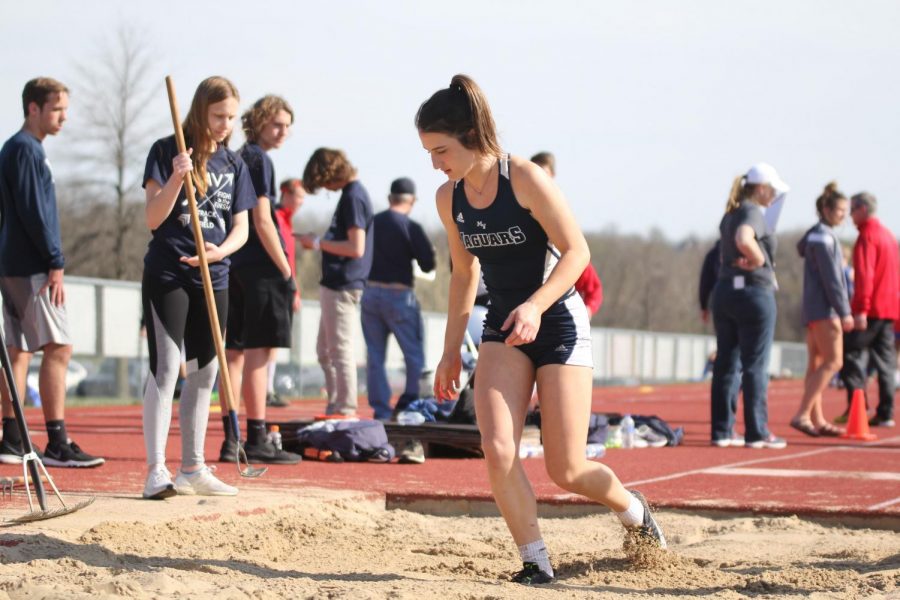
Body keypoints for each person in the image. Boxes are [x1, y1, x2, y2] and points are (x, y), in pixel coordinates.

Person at [417, 74, 665, 585]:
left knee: (566, 469)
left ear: (469, 136)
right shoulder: (449, 199)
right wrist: (448, 352)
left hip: (555, 321)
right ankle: (535, 559)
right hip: (501, 327)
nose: (434, 163)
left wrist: (534, 305)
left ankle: (633, 510)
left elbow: (578, 253)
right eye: (428, 153)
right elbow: (464, 274)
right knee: (498, 446)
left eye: (440, 150)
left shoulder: (525, 178)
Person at [141, 76, 255, 499]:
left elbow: (242, 227)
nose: (225, 125)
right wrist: (175, 178)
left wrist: (219, 251)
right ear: (200, 111)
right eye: (218, 116)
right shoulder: (165, 149)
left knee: (206, 371)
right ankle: (156, 470)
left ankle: (193, 467)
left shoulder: (235, 163)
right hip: (169, 272)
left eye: (231, 118)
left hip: (214, 273)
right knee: (168, 367)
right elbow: (153, 218)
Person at [0, 77, 105, 468]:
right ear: (33, 108)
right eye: (57, 109)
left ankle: (12, 438)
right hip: (31, 266)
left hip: (14, 263)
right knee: (59, 347)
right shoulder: (25, 149)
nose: (63, 117)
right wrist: (55, 260)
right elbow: (33, 212)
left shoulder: (18, 149)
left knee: (20, 349)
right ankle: (57, 441)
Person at [219, 95, 301, 465]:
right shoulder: (259, 159)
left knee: (234, 353)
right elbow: (263, 220)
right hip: (260, 267)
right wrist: (285, 268)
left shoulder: (237, 156)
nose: (283, 131)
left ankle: (232, 437)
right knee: (258, 352)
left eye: (287, 125)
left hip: (234, 263)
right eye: (277, 124)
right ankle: (256, 436)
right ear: (261, 122)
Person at [710, 163, 788, 449]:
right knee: (755, 364)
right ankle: (757, 431)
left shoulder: (729, 212)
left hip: (726, 292)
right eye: (772, 191)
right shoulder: (752, 211)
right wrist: (757, 260)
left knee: (726, 364)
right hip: (754, 293)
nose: (773, 197)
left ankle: (722, 430)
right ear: (762, 188)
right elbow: (745, 238)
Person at [298, 149, 374, 417]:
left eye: (323, 185)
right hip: (336, 283)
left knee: (339, 349)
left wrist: (318, 243)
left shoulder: (354, 196)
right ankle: (336, 402)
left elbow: (356, 247)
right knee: (325, 350)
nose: (325, 190)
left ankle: (345, 407)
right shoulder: (351, 195)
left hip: (343, 284)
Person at [361, 177, 436, 420]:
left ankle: (381, 412)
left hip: (370, 293)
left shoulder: (372, 222)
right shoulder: (410, 226)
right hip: (399, 295)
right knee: (413, 355)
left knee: (375, 356)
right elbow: (428, 264)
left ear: (389, 198)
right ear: (412, 201)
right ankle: (411, 408)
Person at [791, 182, 853, 437]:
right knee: (834, 361)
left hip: (813, 310)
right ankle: (803, 414)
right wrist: (844, 310)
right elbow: (833, 280)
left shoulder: (815, 235)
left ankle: (816, 418)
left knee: (816, 364)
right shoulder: (825, 238)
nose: (844, 215)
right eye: (840, 210)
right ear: (826, 209)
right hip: (825, 310)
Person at [837, 192, 898, 428]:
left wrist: (861, 309)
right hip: (889, 309)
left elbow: (865, 275)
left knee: (849, 352)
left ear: (863, 209)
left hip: (871, 309)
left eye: (852, 210)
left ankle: (857, 407)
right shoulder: (889, 236)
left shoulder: (867, 237)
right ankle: (886, 412)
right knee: (886, 362)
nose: (850, 216)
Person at [530, 151, 603, 316]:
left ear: (552, 175)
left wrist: (587, 311)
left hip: (560, 318)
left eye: (544, 173)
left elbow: (593, 288)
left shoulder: (559, 209)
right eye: (534, 173)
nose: (538, 180)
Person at [263, 177, 306, 407]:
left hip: (286, 286)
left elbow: (290, 260)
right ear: (285, 193)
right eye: (298, 196)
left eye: (303, 198)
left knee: (274, 341)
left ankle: (268, 388)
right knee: (267, 340)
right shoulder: (275, 218)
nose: (300, 202)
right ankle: (265, 390)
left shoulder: (287, 223)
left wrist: (295, 289)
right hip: (274, 285)